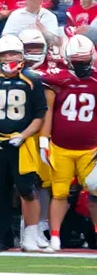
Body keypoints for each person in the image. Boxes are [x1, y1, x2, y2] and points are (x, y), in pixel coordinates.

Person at [0, 34, 47, 251]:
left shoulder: (32, 80)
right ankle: (4, 237)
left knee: (27, 189)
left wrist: (24, 135)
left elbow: (40, 115)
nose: (9, 58)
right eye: (5, 54)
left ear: (22, 55)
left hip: (22, 144)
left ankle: (31, 235)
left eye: (13, 53)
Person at [41, 35, 97, 252]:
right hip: (60, 147)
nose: (82, 65)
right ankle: (55, 237)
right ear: (67, 59)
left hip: (90, 149)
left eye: (85, 61)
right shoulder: (57, 80)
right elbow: (48, 111)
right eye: (77, 61)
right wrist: (44, 140)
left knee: (95, 193)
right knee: (59, 193)